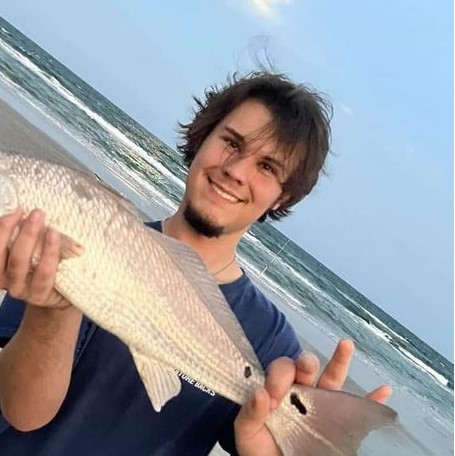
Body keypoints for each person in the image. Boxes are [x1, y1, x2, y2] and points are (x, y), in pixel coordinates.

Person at [0, 72, 392, 455]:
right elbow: (21, 414)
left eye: (267, 167)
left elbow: (262, 443)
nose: (236, 171)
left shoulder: (270, 343)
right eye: (232, 143)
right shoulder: (77, 236)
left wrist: (296, 442)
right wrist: (53, 310)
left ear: (282, 197)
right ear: (202, 137)